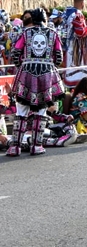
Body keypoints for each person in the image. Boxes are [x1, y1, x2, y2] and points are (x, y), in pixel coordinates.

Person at [6, 8, 65, 156]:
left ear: (32, 19)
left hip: (26, 71)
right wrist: (50, 65)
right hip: (46, 73)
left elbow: (15, 52)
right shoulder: (53, 33)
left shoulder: (25, 33)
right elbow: (59, 56)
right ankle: (36, 145)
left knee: (21, 110)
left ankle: (15, 147)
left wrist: (22, 65)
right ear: (45, 19)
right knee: (41, 110)